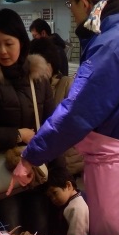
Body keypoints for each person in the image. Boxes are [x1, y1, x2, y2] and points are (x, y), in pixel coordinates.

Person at [11, 0, 119, 235]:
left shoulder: (110, 44)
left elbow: (75, 112)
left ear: (84, 1)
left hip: (118, 171)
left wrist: (31, 155)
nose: (73, 12)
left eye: (71, 4)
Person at [0, 9, 55, 235]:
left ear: (21, 41)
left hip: (36, 172)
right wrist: (17, 134)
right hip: (2, 175)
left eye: (8, 43)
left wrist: (61, 174)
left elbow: (52, 127)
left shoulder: (38, 77)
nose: (2, 51)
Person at [29, 36, 84, 176]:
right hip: (43, 161)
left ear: (51, 64)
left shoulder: (67, 84)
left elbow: (78, 123)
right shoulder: (31, 87)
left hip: (68, 160)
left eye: (43, 63)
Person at [46, 168, 89, 235]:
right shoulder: (73, 200)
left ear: (68, 185)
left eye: (55, 193)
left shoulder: (76, 207)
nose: (53, 199)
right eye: (50, 196)